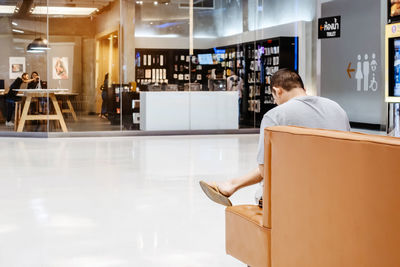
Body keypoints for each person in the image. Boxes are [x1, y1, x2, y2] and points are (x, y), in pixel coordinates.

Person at [200, 69, 351, 207]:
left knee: (267, 179)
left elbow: (265, 170)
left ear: (277, 91)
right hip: (338, 188)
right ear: (303, 89)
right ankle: (231, 184)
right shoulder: (337, 109)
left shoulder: (276, 115)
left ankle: (231, 185)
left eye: (274, 98)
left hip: (296, 193)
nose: (275, 102)